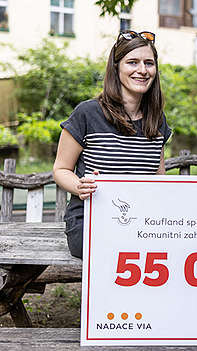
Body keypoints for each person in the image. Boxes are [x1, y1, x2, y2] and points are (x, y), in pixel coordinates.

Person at [54, 31, 170, 259]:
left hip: (139, 219)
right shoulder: (88, 113)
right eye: (132, 62)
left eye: (149, 63)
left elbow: (159, 178)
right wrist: (79, 186)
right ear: (116, 68)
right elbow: (60, 170)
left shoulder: (157, 119)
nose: (142, 70)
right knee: (122, 245)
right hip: (90, 218)